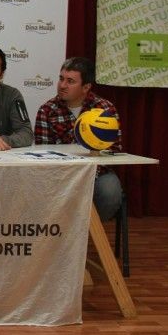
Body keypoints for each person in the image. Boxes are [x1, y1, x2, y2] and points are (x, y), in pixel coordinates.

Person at [35, 57, 123, 221]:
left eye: (70, 81)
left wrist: (87, 174)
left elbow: (114, 150)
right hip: (58, 174)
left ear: (86, 87)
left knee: (110, 191)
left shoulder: (105, 109)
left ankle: (87, 229)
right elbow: (43, 152)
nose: (62, 85)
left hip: (97, 172)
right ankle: (63, 229)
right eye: (61, 79)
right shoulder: (47, 110)